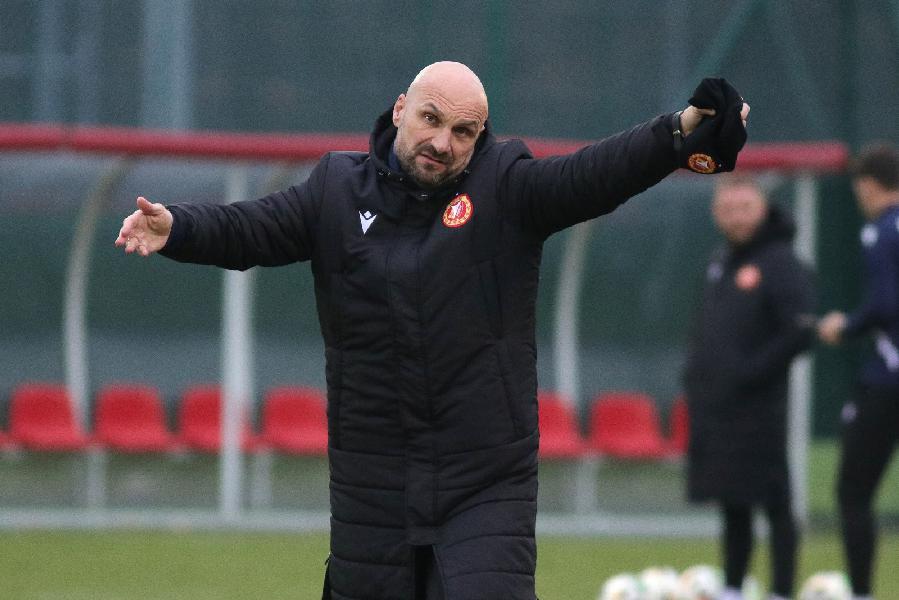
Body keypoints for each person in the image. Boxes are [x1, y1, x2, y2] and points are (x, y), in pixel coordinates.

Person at [116, 61, 749, 600]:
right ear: (400, 111)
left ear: (480, 137)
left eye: (463, 131)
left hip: (485, 479)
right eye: (430, 119)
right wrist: (180, 227)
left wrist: (676, 133)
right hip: (372, 481)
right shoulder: (336, 189)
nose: (443, 142)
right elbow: (251, 228)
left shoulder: (505, 187)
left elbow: (592, 175)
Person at [682, 174, 815, 600]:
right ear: (716, 214)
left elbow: (800, 330)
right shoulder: (721, 260)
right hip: (718, 405)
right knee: (732, 500)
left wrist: (750, 372)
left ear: (762, 208)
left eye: (745, 208)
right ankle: (733, 588)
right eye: (728, 210)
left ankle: (781, 590)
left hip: (761, 406)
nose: (737, 218)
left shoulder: (780, 261)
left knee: (775, 500)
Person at [818, 143, 899, 600]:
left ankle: (862, 593)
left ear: (867, 186)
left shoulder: (881, 232)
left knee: (853, 491)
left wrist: (845, 326)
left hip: (888, 381)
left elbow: (885, 304)